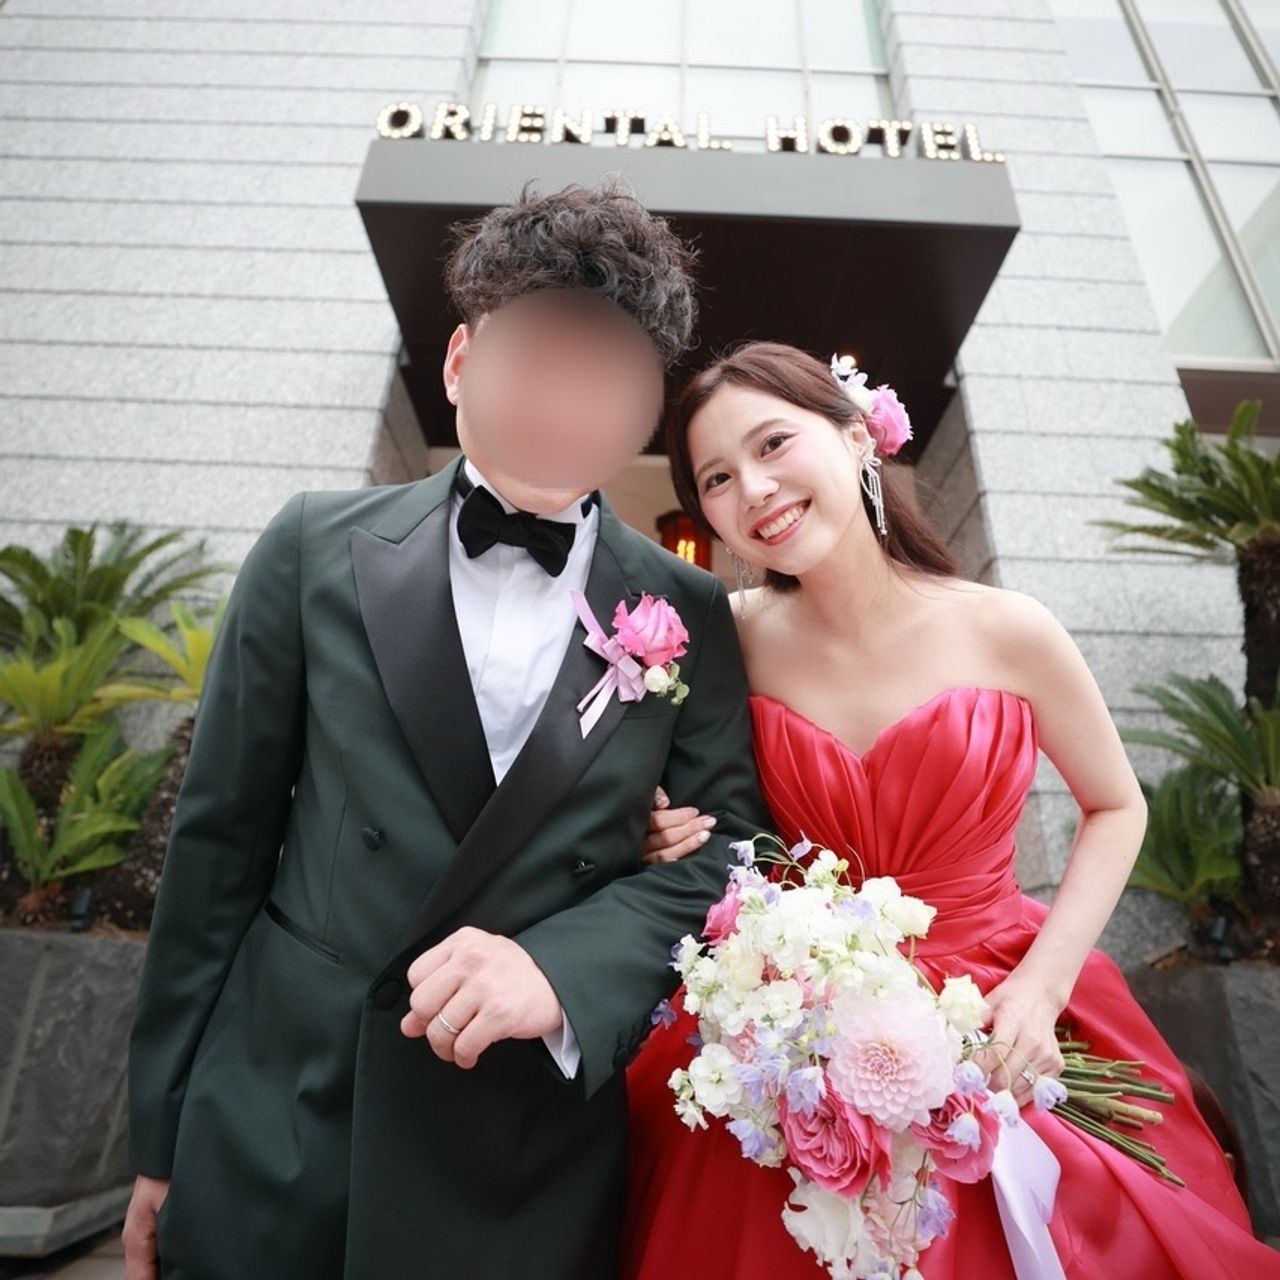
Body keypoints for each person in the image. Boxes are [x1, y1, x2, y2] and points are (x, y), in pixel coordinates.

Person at [121, 178, 771, 1280]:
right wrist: (159, 1130)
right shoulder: (313, 546)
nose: (565, 400)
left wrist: (558, 968)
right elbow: (219, 843)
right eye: (538, 358)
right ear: (462, 361)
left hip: (521, 1143)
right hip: (282, 1107)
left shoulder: (690, 607)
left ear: (645, 408)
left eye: (605, 375)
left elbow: (731, 855)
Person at [622, 341, 1280, 1278]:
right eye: (718, 478)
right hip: (799, 1017)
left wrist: (1043, 988)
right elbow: (692, 812)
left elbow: (1115, 805)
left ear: (858, 438)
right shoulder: (726, 643)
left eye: (774, 445)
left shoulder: (1007, 627)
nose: (754, 489)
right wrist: (657, 832)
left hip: (1004, 993)